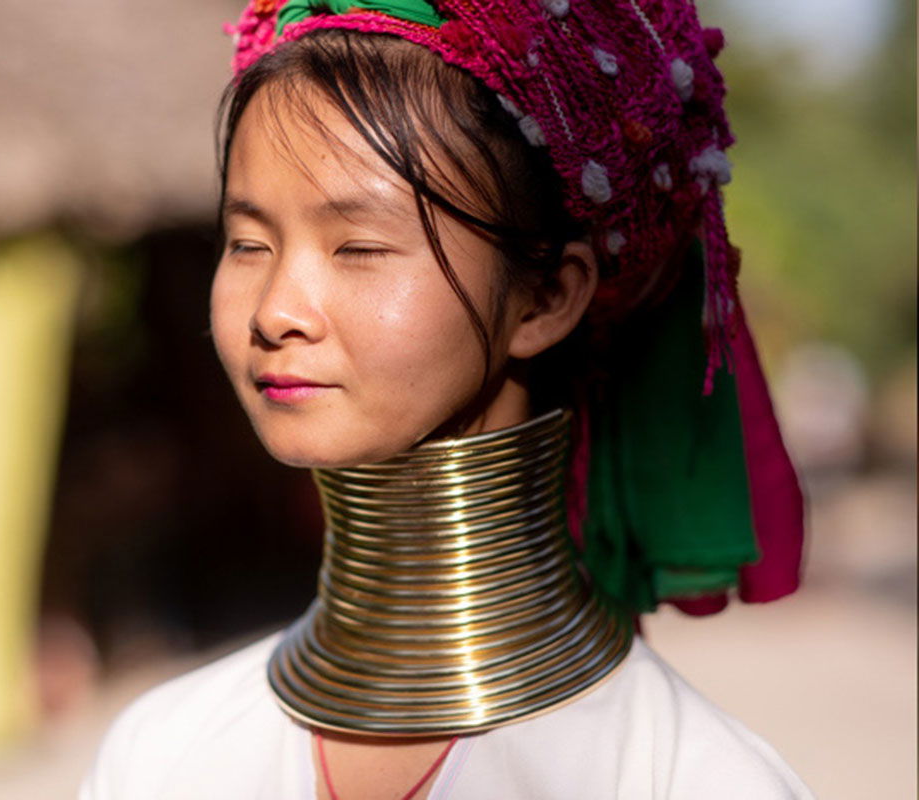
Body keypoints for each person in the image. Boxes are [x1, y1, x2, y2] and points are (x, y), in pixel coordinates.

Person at [80, 1, 813, 797]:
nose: (274, 312)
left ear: (544, 300)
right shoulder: (161, 757)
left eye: (358, 247)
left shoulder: (689, 782)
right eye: (248, 244)